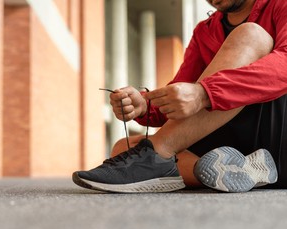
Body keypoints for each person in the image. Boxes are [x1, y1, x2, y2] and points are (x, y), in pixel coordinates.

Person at [73, 0, 287, 193]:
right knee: (122, 147)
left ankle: (157, 153)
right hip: (230, 141)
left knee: (251, 34)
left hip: (274, 132)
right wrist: (145, 105)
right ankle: (241, 170)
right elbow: (181, 89)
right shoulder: (204, 31)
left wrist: (203, 93)